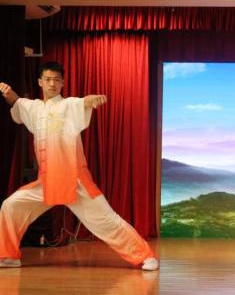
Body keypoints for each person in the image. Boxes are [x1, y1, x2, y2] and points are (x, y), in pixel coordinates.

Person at [0, 61, 158, 270]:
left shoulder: (68, 105)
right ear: (40, 82)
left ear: (63, 83)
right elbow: (16, 102)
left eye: (57, 80)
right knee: (11, 206)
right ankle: (8, 256)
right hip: (47, 182)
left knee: (107, 221)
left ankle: (145, 256)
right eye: (48, 79)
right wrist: (7, 91)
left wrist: (92, 100)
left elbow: (84, 102)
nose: (52, 84)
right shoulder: (33, 108)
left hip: (75, 181)